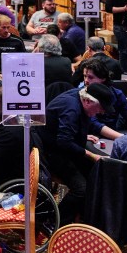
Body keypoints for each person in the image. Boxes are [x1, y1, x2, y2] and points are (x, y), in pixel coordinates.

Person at [37, 84, 113, 223]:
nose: (102, 112)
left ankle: (84, 216)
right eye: (101, 108)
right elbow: (64, 142)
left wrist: (80, 133)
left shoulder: (81, 95)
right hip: (52, 152)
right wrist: (92, 155)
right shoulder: (71, 108)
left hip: (62, 148)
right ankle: (55, 221)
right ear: (88, 101)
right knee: (81, 190)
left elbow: (76, 126)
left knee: (96, 173)